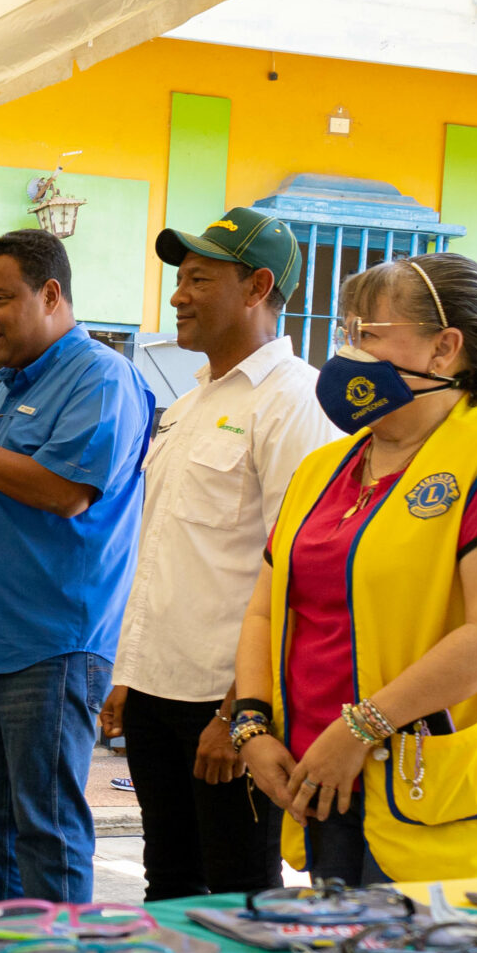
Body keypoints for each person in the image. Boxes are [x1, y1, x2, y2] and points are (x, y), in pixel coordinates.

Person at [230, 252, 477, 885]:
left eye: (366, 334)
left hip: (443, 790)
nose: (345, 351)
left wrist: (360, 727)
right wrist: (251, 724)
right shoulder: (323, 469)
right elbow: (266, 607)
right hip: (321, 776)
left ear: (444, 349)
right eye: (344, 332)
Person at [102, 208, 337, 901]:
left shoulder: (296, 401)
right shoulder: (191, 402)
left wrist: (243, 713)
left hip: (223, 702)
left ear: (258, 286)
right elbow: (165, 552)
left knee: (238, 894)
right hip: (155, 693)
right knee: (169, 884)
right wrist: (129, 674)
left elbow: (296, 571)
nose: (178, 296)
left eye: (198, 279)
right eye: (179, 280)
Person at [0, 229, 156, 904]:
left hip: (49, 644)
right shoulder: (8, 386)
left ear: (51, 294)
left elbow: (63, 490)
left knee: (44, 825)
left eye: (1, 298)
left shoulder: (100, 378)